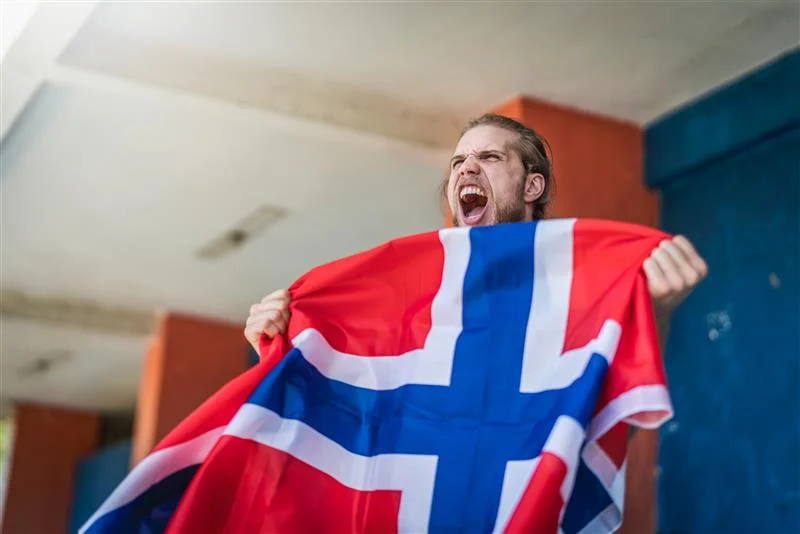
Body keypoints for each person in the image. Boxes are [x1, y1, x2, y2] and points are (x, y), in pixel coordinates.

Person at [242, 113, 708, 531]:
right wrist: (280, 350)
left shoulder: (572, 295)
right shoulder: (408, 303)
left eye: (488, 156)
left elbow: (602, 422)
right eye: (459, 160)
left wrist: (658, 312)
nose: (466, 168)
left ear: (532, 187)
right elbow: (344, 416)